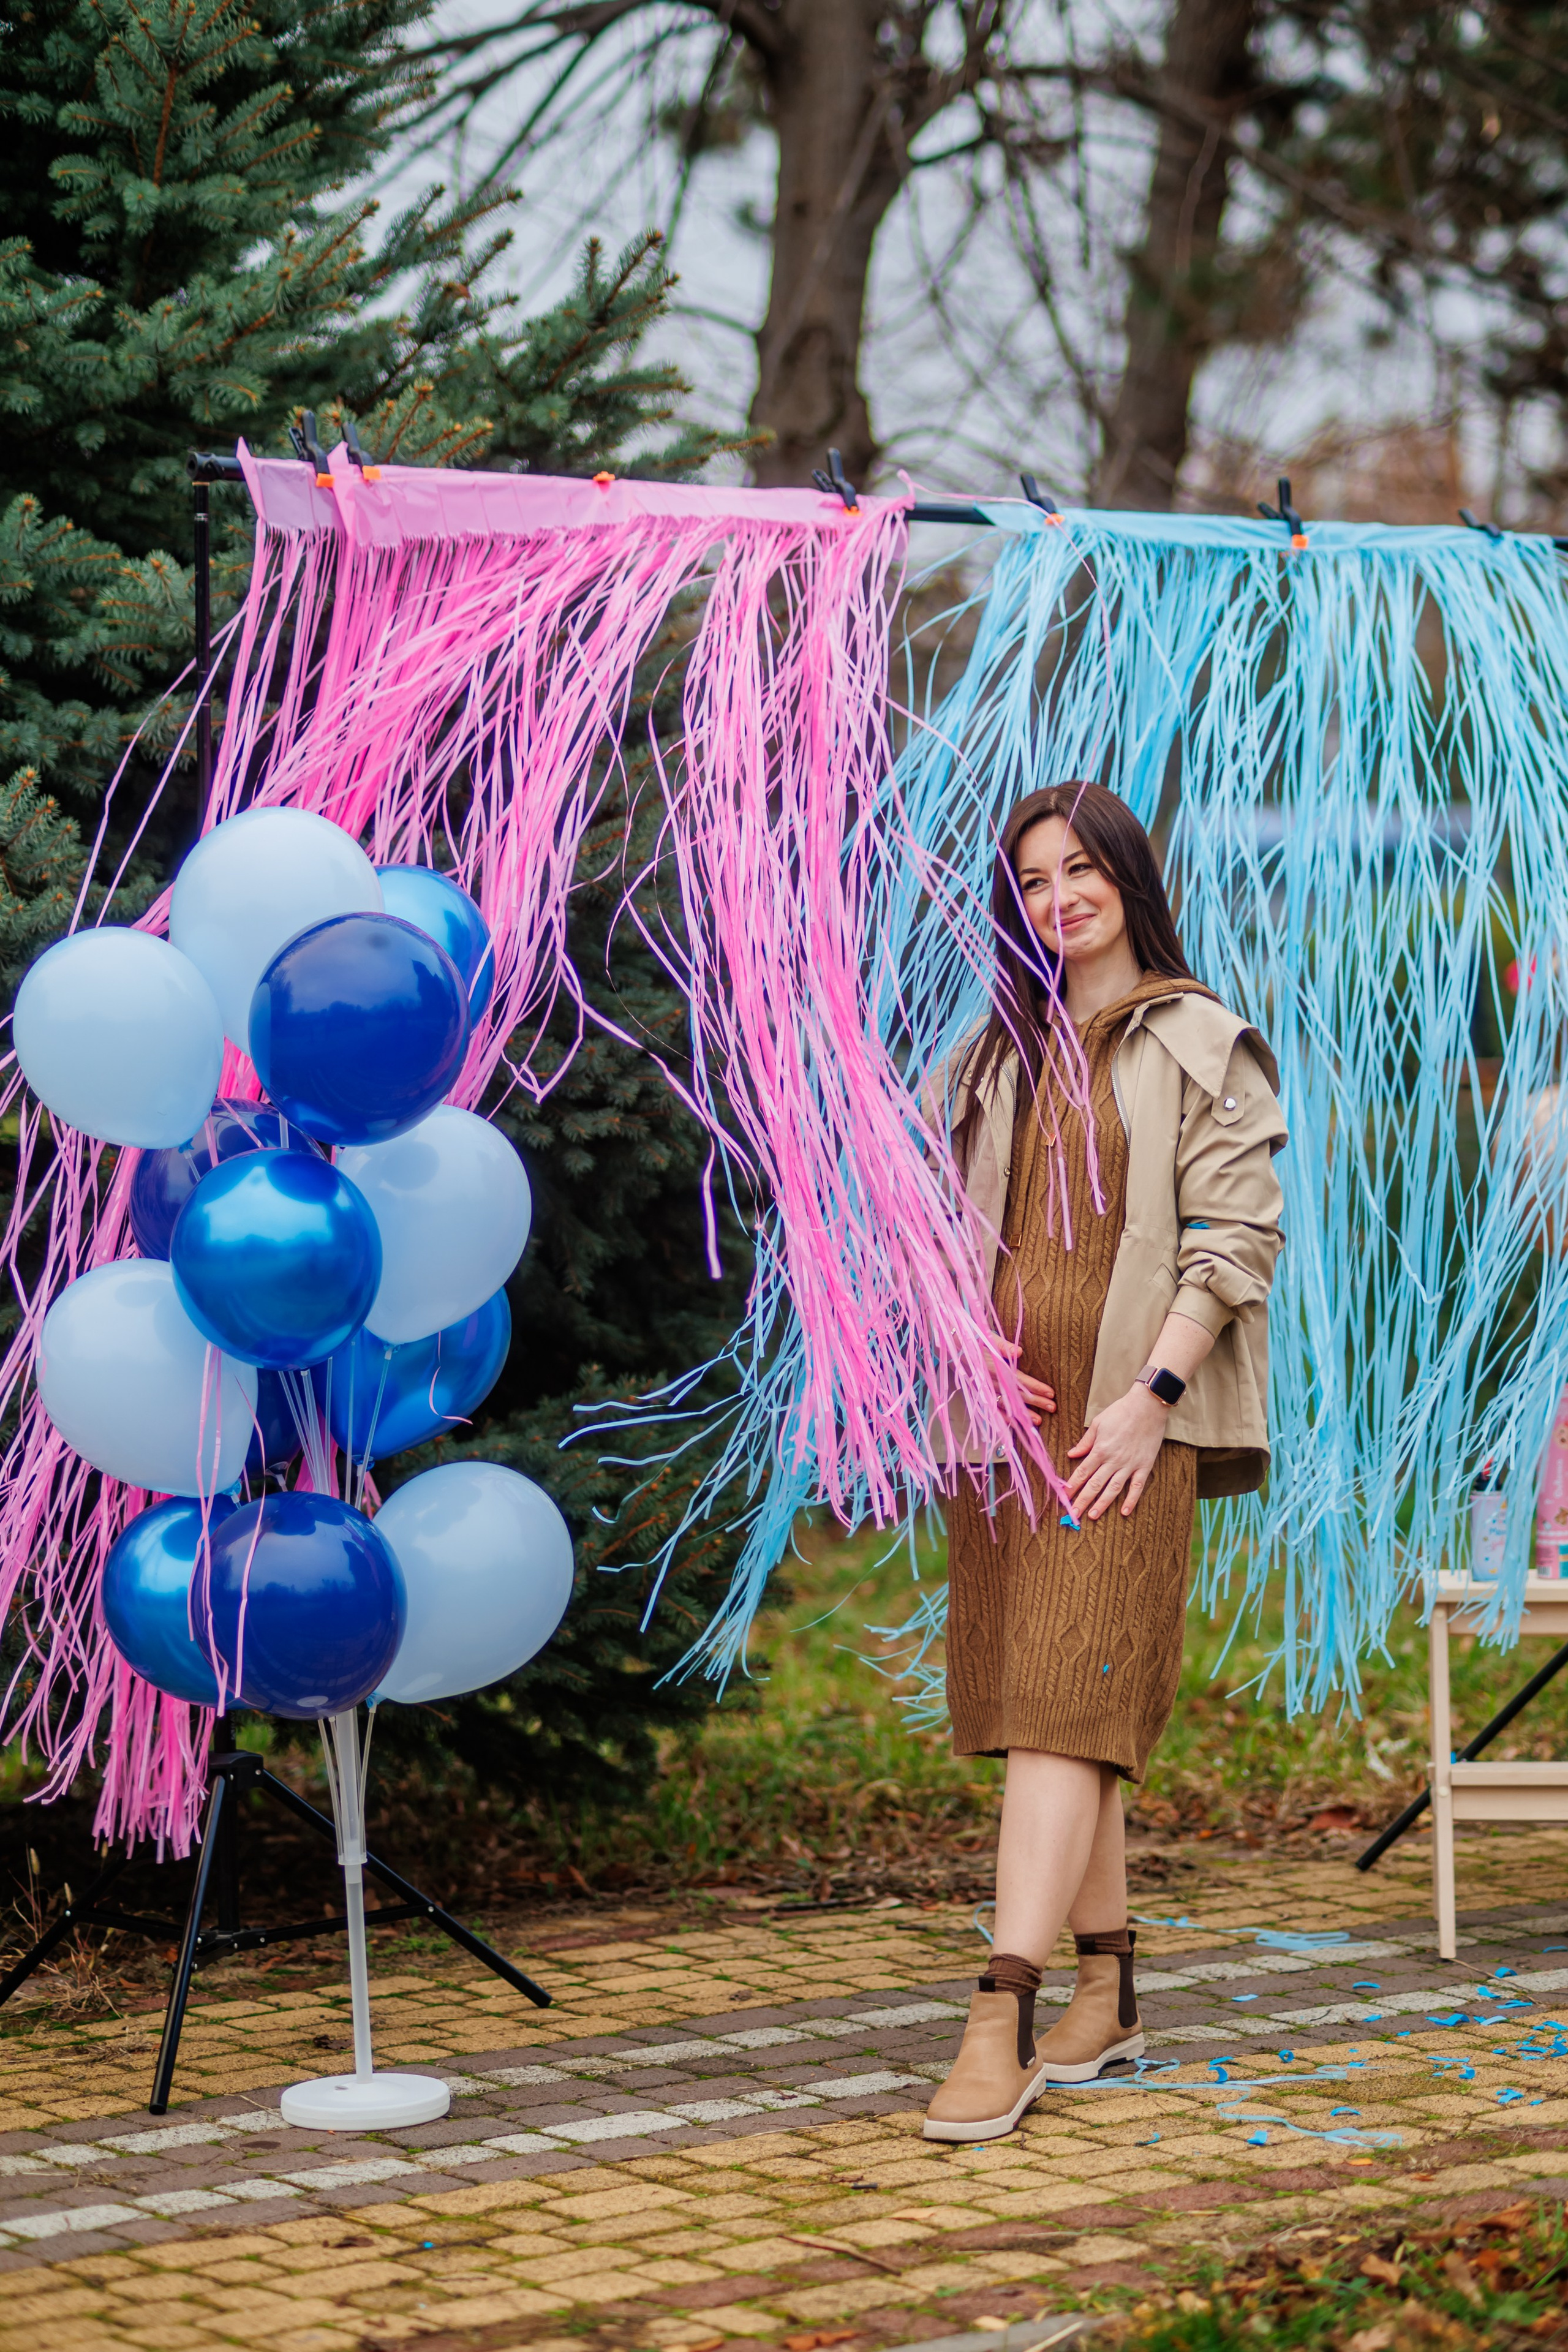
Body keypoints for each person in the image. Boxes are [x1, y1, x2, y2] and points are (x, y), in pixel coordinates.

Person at [921, 782, 1287, 2144]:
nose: (1058, 898)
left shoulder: (1204, 1043)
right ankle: (1111, 1989)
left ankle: (998, 2011)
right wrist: (967, 1354)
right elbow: (940, 1236)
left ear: (1130, 878)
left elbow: (1233, 1242)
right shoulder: (989, 1055)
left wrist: (1148, 1396)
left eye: (1081, 871)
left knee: (1067, 1702)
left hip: (1123, 1428)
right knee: (1046, 1697)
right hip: (1008, 1433)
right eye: (1030, 881)